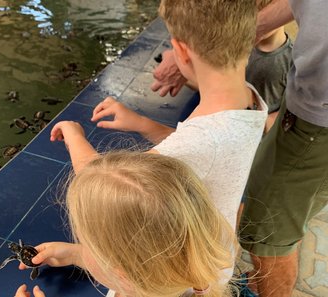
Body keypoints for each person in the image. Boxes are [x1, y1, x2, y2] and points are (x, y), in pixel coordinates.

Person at [48, 0, 267, 233]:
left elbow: (102, 185)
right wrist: (143, 124)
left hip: (186, 263)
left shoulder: (204, 138)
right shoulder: (246, 98)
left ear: (181, 51)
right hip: (214, 242)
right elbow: (197, 150)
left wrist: (74, 136)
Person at [14, 152, 236, 297]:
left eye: (86, 243)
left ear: (123, 274)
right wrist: (76, 255)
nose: (82, 245)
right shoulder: (190, 273)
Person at [238, 0, 328, 296]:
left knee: (269, 233)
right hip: (305, 107)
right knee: (284, 215)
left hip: (317, 120)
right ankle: (258, 280)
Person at [246, 0, 293, 132]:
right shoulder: (241, 45)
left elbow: (289, 114)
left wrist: (264, 123)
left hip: (258, 134)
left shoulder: (292, 61)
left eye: (265, 12)